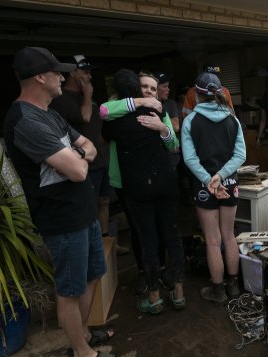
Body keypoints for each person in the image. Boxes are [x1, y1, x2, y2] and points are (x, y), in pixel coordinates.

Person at [4, 47, 125, 357]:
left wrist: (75, 153)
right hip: (61, 218)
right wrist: (76, 156)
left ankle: (83, 334)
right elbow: (77, 170)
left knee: (91, 275)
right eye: (58, 72)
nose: (64, 77)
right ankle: (82, 356)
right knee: (69, 291)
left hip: (82, 211)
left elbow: (87, 145)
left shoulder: (50, 113)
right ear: (40, 77)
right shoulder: (25, 120)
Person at [102, 69, 185, 314]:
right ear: (137, 91)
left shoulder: (114, 122)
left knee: (148, 240)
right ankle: (179, 294)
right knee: (172, 236)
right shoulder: (155, 109)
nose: (149, 91)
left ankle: (154, 298)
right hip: (166, 183)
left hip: (138, 187)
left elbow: (104, 115)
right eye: (144, 87)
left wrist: (162, 128)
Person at [49, 54, 129, 255]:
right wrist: (87, 94)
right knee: (89, 205)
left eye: (90, 71)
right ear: (72, 73)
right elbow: (84, 117)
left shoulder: (87, 97)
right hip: (85, 164)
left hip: (101, 160)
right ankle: (92, 247)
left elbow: (96, 124)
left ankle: (106, 242)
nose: (89, 76)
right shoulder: (61, 100)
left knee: (104, 202)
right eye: (85, 71)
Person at [181, 72, 246, 303]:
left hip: (203, 185)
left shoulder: (191, 121)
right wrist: (220, 176)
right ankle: (234, 286)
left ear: (196, 94)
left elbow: (189, 159)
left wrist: (209, 179)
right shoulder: (233, 119)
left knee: (212, 240)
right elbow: (241, 155)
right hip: (228, 182)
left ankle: (218, 291)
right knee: (229, 236)